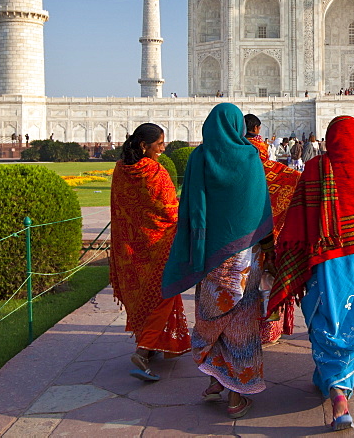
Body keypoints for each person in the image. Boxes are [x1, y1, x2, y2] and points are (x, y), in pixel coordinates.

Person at [268, 116, 354, 431]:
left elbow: (298, 221)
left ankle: (336, 389)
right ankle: (337, 387)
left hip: (327, 262)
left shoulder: (315, 170)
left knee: (327, 316)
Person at [162, 103, 272, 419]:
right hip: (245, 257)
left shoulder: (199, 157)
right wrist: (267, 245)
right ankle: (236, 397)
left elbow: (194, 207)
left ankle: (215, 382)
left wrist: (195, 249)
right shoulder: (250, 156)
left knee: (213, 316)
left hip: (211, 255)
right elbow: (259, 205)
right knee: (240, 323)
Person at [110, 123, 191, 382]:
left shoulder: (120, 170)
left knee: (144, 294)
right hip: (158, 246)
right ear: (145, 146)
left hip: (130, 247)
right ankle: (143, 350)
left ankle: (151, 345)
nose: (163, 149)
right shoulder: (154, 171)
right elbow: (170, 210)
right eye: (159, 144)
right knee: (164, 295)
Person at [243, 113, 302, 345]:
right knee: (269, 280)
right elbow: (292, 183)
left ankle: (243, 328)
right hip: (270, 233)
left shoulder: (232, 162)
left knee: (245, 283)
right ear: (258, 129)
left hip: (241, 236)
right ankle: (269, 330)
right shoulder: (274, 169)